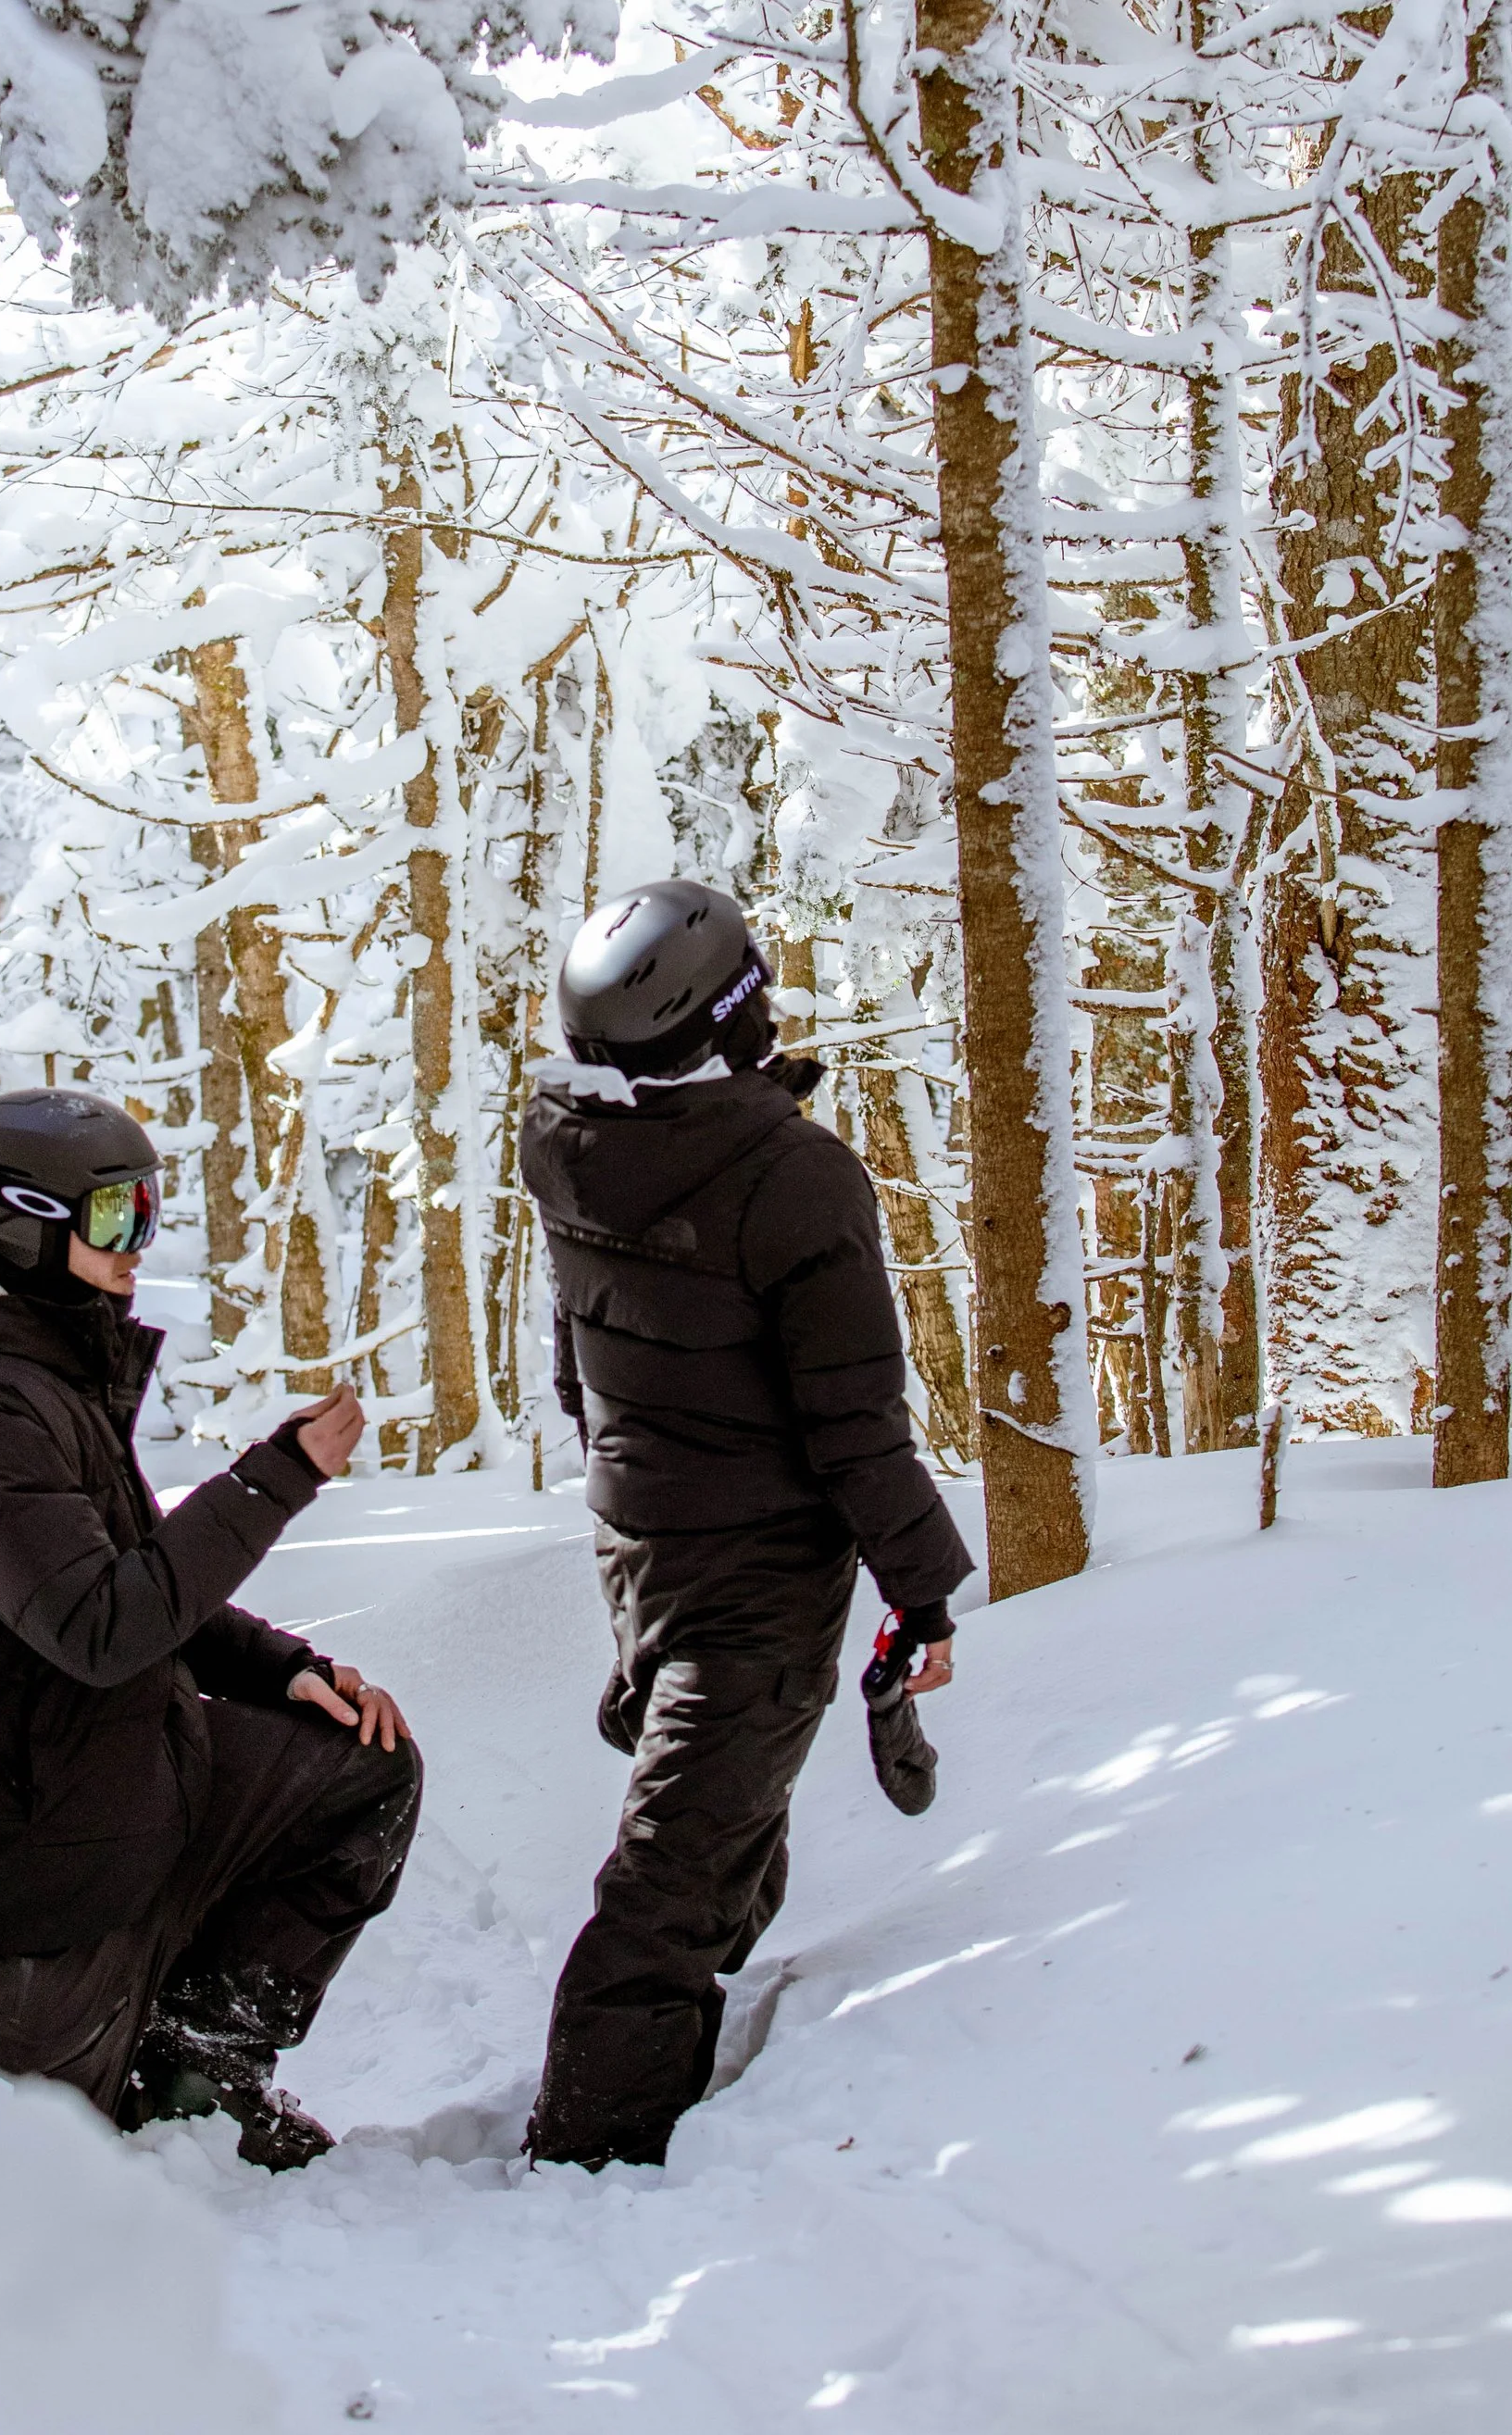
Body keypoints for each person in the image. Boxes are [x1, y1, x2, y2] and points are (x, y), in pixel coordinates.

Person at [0, 1082, 419, 2169]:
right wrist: (276, 1478)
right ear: (18, 1226)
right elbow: (100, 1624)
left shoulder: (34, 1371)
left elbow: (126, 1566)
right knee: (67, 2153)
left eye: (147, 1209)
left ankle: (199, 2064)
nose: (138, 1243)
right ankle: (103, 2070)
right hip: (34, 1869)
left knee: (361, 1767)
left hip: (114, 1778)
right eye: (114, 1217)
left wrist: (281, 1668)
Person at [520, 879, 975, 2171]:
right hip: (757, 1567)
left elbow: (577, 1351)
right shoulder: (791, 1179)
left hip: (636, 1538)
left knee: (722, 1821)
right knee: (670, 1878)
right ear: (730, 1012)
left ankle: (677, 2077)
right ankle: (587, 2160)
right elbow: (856, 1426)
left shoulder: (567, 1140)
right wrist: (925, 1594)